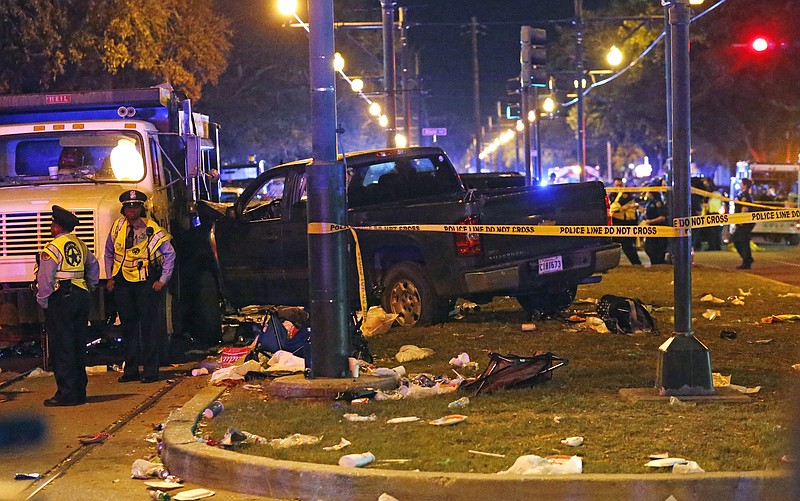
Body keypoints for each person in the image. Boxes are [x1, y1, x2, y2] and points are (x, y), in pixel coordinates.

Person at [105, 190, 176, 383]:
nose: (131, 211)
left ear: (141, 209)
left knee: (148, 328)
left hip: (145, 283)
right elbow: (109, 252)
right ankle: (131, 370)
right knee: (127, 328)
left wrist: (162, 279)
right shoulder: (118, 227)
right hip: (123, 283)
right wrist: (110, 277)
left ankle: (151, 370)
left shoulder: (153, 230)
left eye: (135, 207)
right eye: (128, 207)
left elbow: (170, 254)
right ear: (123, 209)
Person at [35, 206, 99, 406]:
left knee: (62, 346)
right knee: (77, 344)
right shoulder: (80, 244)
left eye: (53, 224)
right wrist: (90, 286)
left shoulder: (52, 248)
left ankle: (66, 393)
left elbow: (45, 277)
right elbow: (93, 266)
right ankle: (79, 391)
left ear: (57, 226)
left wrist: (43, 299)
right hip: (81, 295)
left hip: (61, 297)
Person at [609, 177, 642, 265]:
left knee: (627, 246)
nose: (619, 187)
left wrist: (619, 209)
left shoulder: (625, 194)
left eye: (620, 185)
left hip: (626, 223)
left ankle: (637, 264)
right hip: (615, 223)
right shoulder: (611, 195)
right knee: (612, 246)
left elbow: (614, 208)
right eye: (617, 185)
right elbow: (611, 209)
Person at [642, 178, 669, 265]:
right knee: (648, 248)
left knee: (657, 249)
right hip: (651, 229)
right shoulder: (649, 201)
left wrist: (649, 222)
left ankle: (659, 265)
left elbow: (662, 217)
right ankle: (656, 264)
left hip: (658, 228)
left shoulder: (658, 202)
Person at [732, 178, 755, 269]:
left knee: (741, 241)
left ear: (744, 185)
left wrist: (741, 220)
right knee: (740, 240)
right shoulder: (743, 195)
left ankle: (747, 261)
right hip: (743, 222)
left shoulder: (745, 196)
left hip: (744, 223)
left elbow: (744, 209)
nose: (740, 185)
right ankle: (747, 259)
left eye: (741, 184)